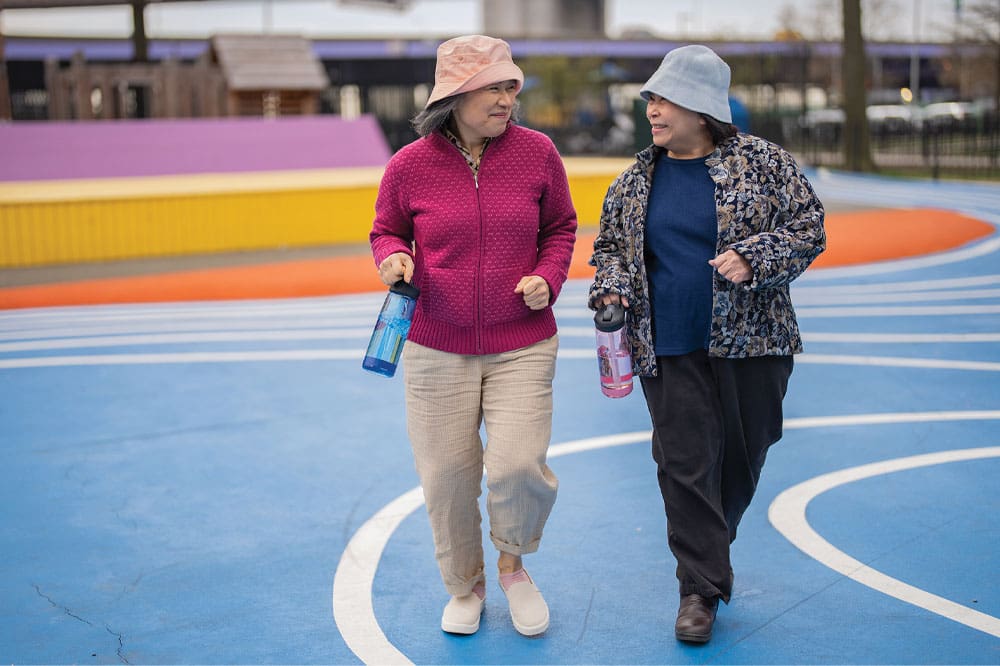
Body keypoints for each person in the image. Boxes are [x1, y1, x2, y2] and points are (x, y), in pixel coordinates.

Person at [588, 45, 826, 644]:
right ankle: (699, 588)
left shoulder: (766, 165)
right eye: (651, 99)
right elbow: (610, 249)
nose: (653, 110)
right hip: (666, 344)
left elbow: (808, 228)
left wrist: (756, 256)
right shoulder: (635, 180)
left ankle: (710, 551)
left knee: (745, 457)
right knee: (685, 466)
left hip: (755, 344)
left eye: (665, 99)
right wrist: (612, 292)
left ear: (701, 108)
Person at [369, 34, 578, 637]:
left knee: (516, 467)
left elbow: (561, 228)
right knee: (447, 479)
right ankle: (466, 585)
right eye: (494, 87)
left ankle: (513, 568)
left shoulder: (538, 154)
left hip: (523, 343)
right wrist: (392, 259)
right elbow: (386, 231)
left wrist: (547, 274)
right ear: (456, 95)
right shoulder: (407, 165)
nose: (508, 97)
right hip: (436, 346)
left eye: (512, 85)